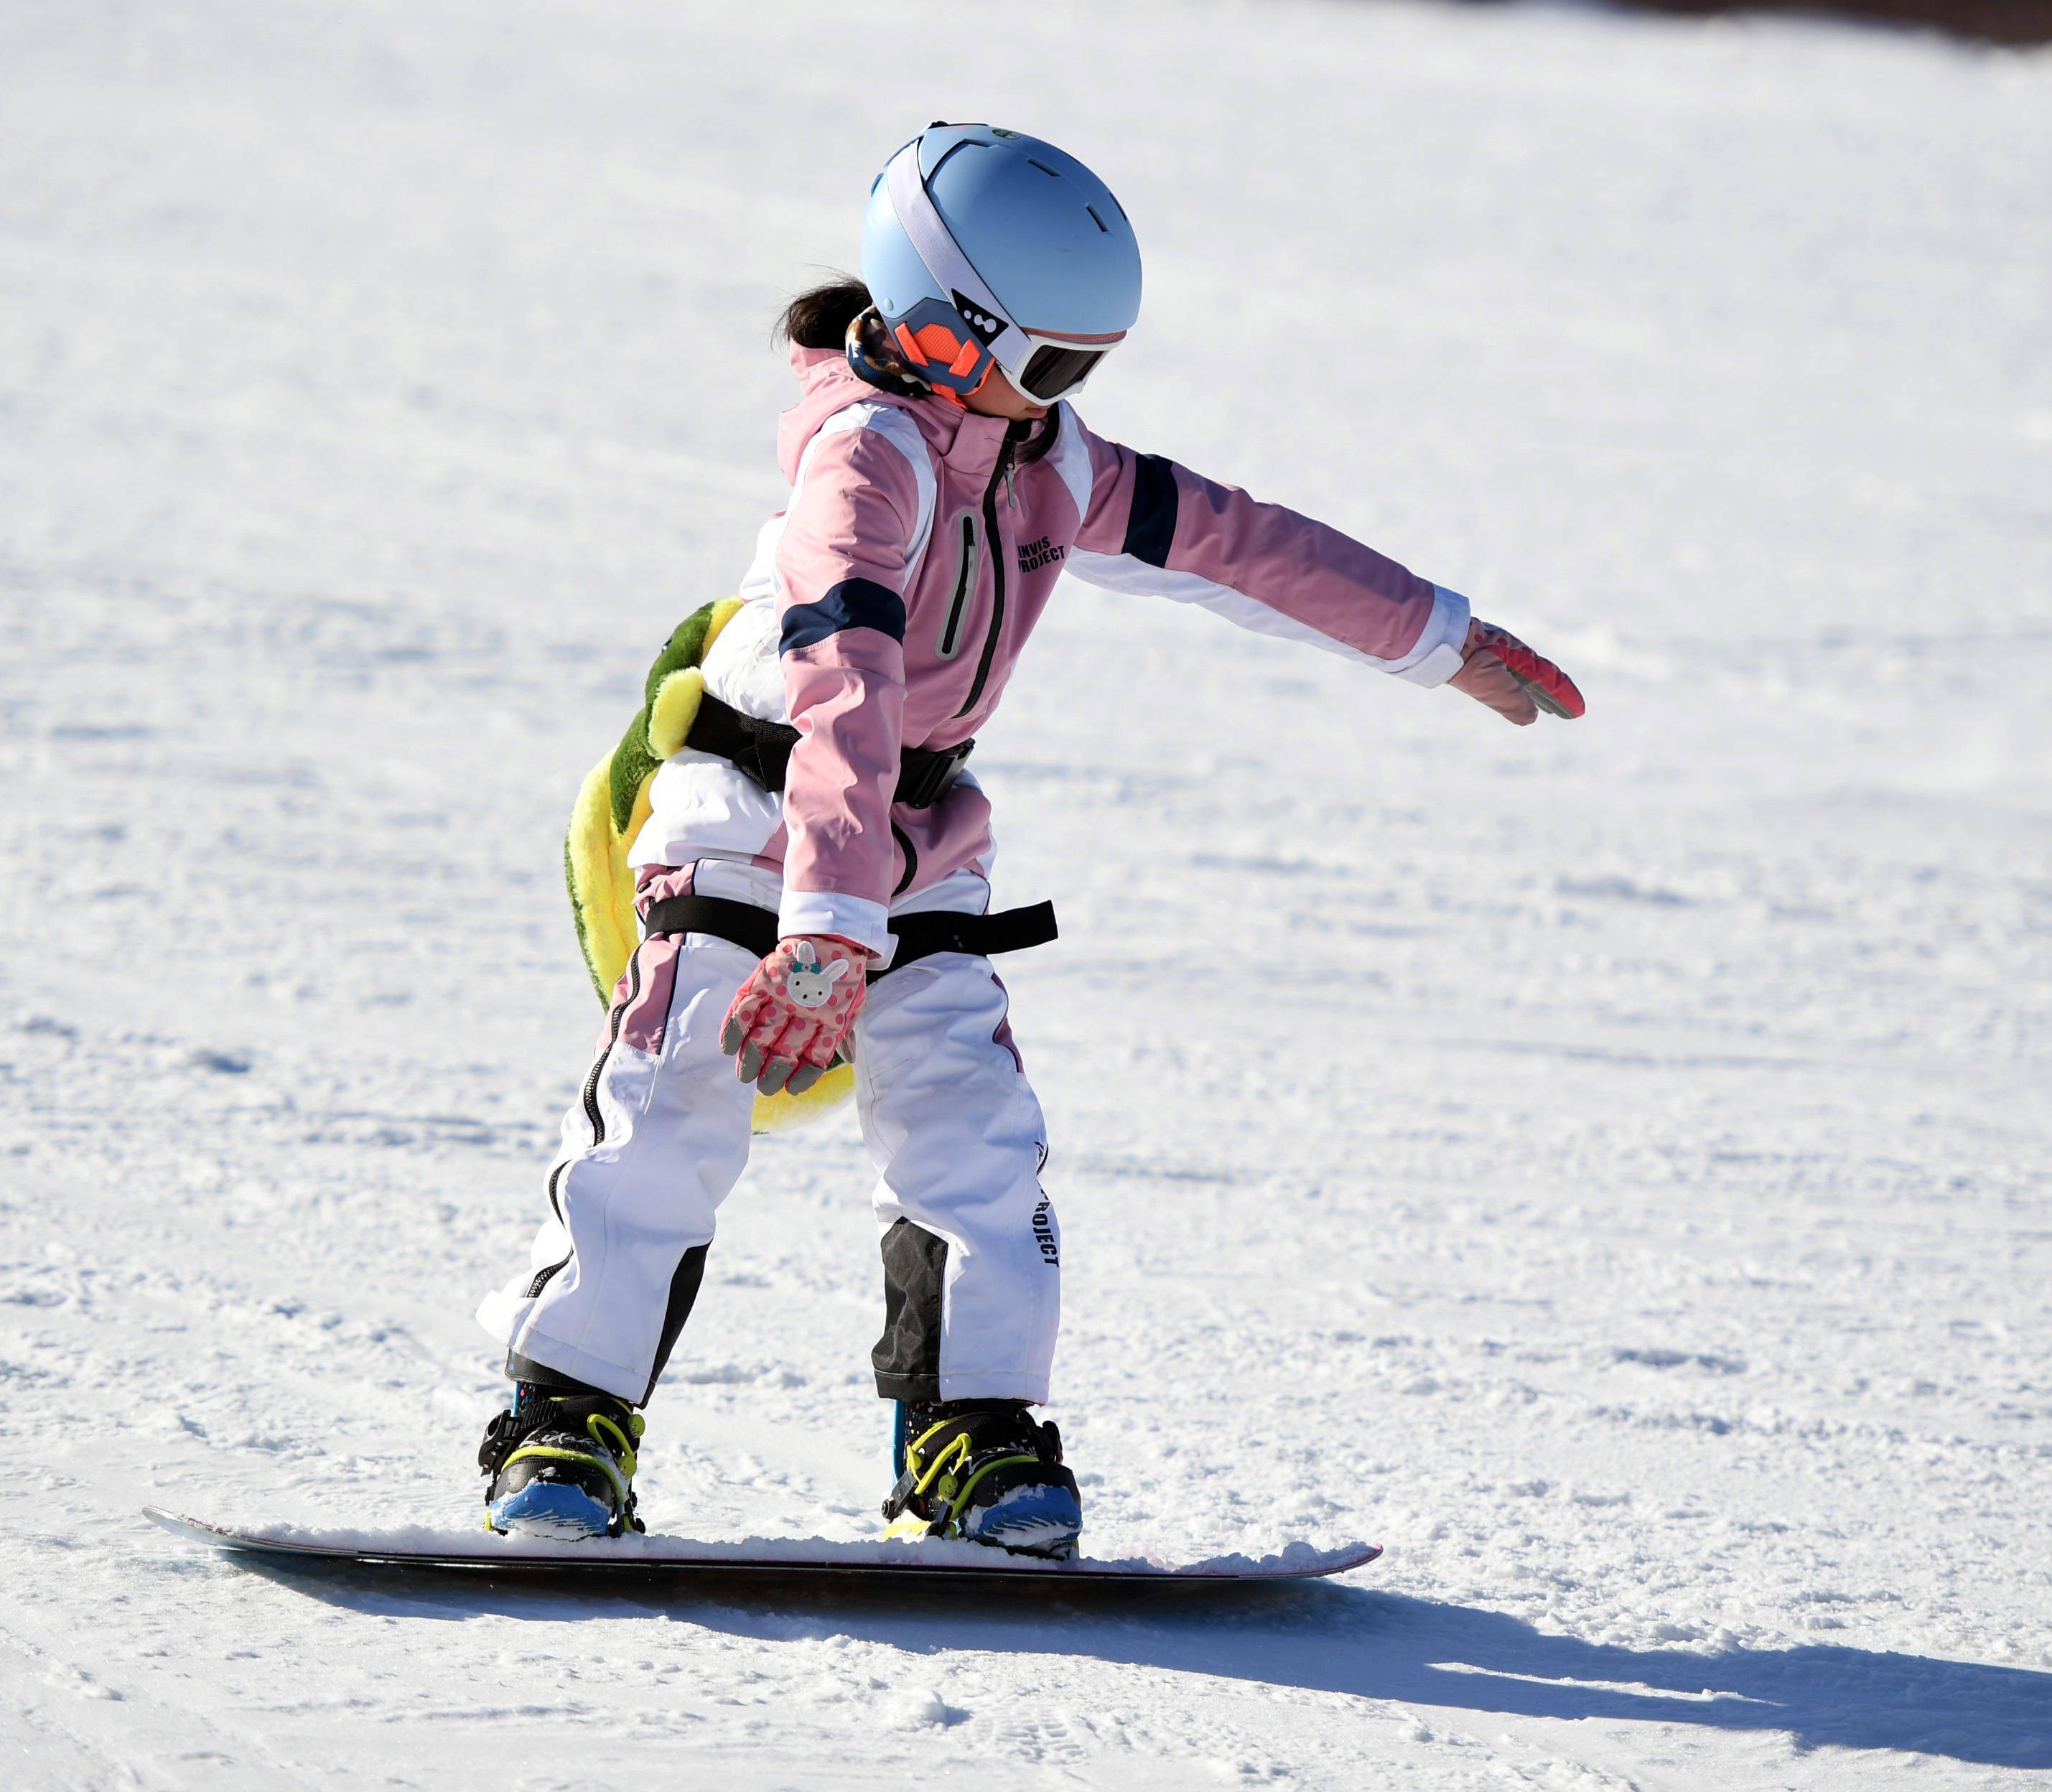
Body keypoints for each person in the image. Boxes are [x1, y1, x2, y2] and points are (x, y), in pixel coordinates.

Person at [473, 122, 1581, 1557]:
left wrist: (1441, 638)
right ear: (943, 330)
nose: (1069, 400)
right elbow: (846, 688)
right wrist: (825, 928)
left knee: (972, 1126)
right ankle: (564, 1420)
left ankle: (970, 1434)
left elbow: (1240, 544)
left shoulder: (1039, 457)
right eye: (1052, 365)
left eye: (1089, 369)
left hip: (918, 833)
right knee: (674, 1097)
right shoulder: (865, 463)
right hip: (755, 816)